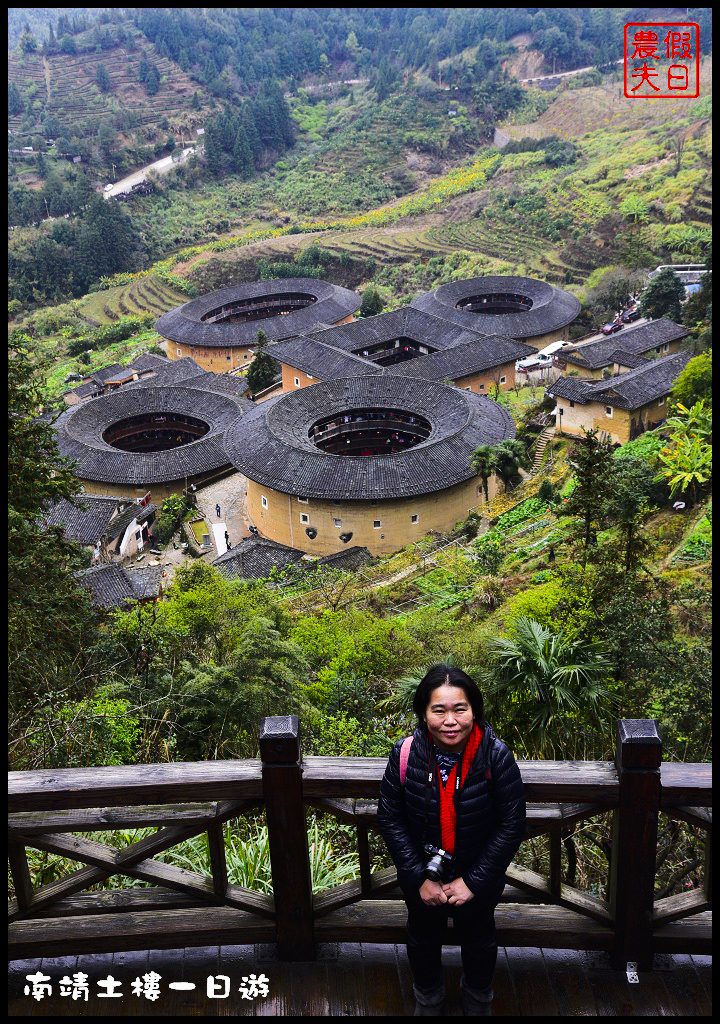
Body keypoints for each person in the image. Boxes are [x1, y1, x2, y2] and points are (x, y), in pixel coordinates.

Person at [377, 665, 526, 1017]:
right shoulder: (405, 754)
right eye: (438, 710)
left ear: (474, 710)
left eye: (460, 708)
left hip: (477, 876)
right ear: (423, 713)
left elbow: (511, 823)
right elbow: (390, 817)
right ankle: (428, 997)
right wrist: (418, 877)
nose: (450, 720)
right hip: (423, 874)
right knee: (421, 938)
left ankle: (477, 999)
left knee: (480, 940)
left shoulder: (495, 756)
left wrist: (473, 881)